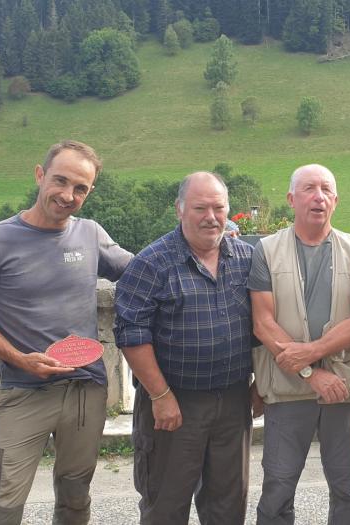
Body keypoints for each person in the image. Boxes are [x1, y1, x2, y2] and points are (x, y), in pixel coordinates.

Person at [0, 140, 133, 524]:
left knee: (75, 496)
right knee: (1, 504)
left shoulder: (90, 234)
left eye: (80, 188)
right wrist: (19, 359)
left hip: (86, 388)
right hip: (24, 390)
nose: (68, 195)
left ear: (90, 192)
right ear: (40, 175)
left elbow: (143, 270)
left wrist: (212, 238)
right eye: (60, 181)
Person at [114, 171, 256, 525]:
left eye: (219, 207)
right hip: (174, 403)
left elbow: (265, 324)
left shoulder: (246, 258)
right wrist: (160, 396)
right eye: (200, 207)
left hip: (234, 402)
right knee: (165, 504)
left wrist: (262, 386)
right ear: (179, 210)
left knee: (228, 506)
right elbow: (131, 334)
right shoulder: (151, 263)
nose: (211, 216)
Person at [250, 164, 350, 524]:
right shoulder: (266, 251)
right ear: (292, 199)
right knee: (277, 486)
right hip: (287, 390)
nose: (318, 196)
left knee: (348, 488)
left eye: (325, 189)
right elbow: (263, 322)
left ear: (335, 200)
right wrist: (311, 372)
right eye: (308, 188)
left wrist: (313, 354)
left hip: (342, 389)